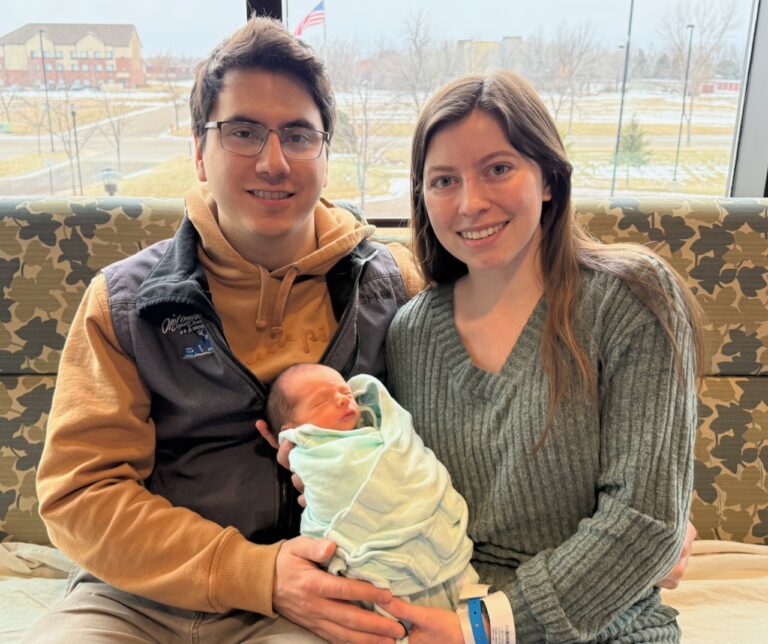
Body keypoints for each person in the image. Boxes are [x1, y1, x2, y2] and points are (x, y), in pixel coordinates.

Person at [29, 16, 421, 644]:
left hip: (316, 590)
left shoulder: (395, 284)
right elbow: (81, 495)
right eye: (241, 132)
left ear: (325, 152)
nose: (273, 162)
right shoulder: (123, 303)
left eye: (297, 134)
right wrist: (253, 572)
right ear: (198, 152)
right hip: (137, 596)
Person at [375, 71, 703, 642]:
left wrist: (480, 630)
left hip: (606, 627)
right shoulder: (409, 333)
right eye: (443, 180)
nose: (470, 203)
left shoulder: (631, 299)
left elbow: (646, 523)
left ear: (549, 178)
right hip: (440, 609)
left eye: (498, 169)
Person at [263, 363, 477, 614]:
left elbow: (410, 460)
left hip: (427, 526)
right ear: (292, 430)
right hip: (371, 558)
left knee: (471, 601)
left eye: (346, 393)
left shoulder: (378, 431)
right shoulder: (312, 453)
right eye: (321, 402)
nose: (343, 401)